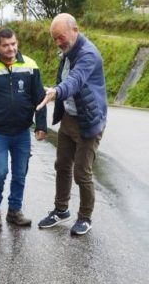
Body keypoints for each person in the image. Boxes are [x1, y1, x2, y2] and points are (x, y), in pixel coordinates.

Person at [36, 13, 107, 236]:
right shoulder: (67, 52)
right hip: (69, 117)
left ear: (75, 30)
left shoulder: (88, 54)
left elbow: (74, 81)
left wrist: (57, 92)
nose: (58, 43)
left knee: (81, 172)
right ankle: (61, 210)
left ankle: (85, 217)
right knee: (62, 165)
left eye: (61, 37)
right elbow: (64, 79)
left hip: (88, 120)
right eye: (54, 39)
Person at [0, 28, 47, 229]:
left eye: (13, 43)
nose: (11, 48)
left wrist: (41, 125)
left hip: (22, 132)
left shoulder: (30, 65)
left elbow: (40, 98)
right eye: (5, 45)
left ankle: (14, 211)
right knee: (0, 171)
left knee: (20, 173)